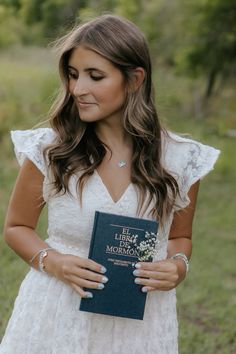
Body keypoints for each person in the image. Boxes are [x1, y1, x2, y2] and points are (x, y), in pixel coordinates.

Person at [0, 14, 220, 354]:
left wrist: (177, 266)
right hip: (56, 314)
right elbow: (16, 227)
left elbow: (180, 237)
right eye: (73, 75)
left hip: (141, 324)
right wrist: (52, 261)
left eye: (95, 76)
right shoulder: (50, 149)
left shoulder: (180, 159)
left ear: (134, 79)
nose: (77, 89)